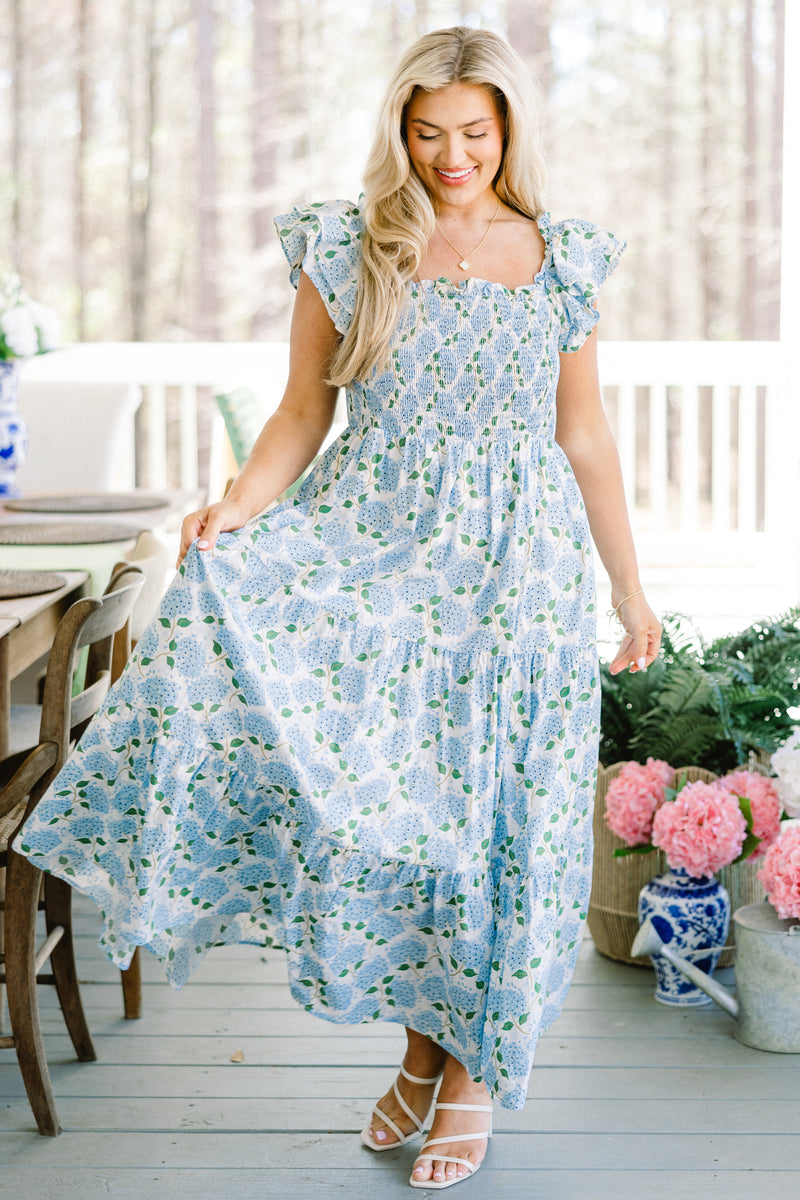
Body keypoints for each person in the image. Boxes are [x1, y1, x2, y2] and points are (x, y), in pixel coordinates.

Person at [16, 25, 661, 1192]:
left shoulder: (561, 258)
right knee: (398, 831)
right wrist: (236, 506)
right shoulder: (350, 245)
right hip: (375, 561)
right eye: (428, 133)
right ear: (398, 132)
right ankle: (418, 1053)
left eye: (473, 132)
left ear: (507, 129)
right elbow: (300, 415)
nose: (451, 155)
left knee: (494, 834)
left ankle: (468, 1077)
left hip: (516, 583)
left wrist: (628, 588)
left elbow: (583, 436)